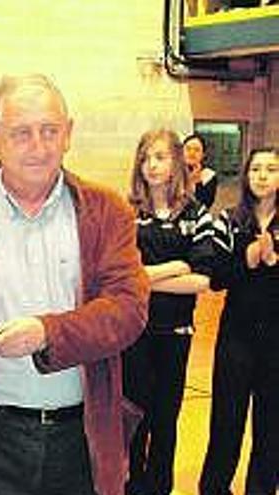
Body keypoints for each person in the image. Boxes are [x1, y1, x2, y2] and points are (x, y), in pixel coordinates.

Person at [0, 74, 149, 495]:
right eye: (21, 133)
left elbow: (128, 310)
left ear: (69, 134)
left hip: (80, 436)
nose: (39, 146)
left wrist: (47, 332)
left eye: (50, 131)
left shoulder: (107, 212)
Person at [122, 129, 214, 495]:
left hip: (175, 336)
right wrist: (177, 264)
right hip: (135, 333)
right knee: (134, 419)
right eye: (146, 158)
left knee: (165, 421)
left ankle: (160, 488)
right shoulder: (128, 213)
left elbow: (202, 280)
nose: (152, 165)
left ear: (176, 161)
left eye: (160, 157)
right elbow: (126, 277)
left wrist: (147, 278)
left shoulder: (197, 215)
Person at [199, 148, 278, 495]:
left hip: (276, 340)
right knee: (226, 421)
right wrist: (245, 260)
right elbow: (215, 278)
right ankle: (214, 487)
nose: (262, 175)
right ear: (246, 176)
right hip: (236, 338)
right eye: (256, 169)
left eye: (271, 169)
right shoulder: (229, 220)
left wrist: (274, 261)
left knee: (271, 423)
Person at [183, 133, 217, 209]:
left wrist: (198, 181)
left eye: (197, 150)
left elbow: (206, 204)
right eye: (188, 149)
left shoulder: (209, 175)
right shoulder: (173, 173)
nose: (192, 153)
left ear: (203, 154)